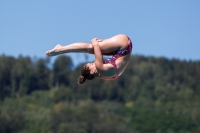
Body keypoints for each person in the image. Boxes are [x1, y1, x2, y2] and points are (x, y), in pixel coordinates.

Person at [45, 34, 132, 84]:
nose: (94, 62)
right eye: (91, 64)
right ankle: (61, 49)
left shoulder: (104, 76)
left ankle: (61, 49)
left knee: (91, 50)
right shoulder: (100, 68)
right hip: (123, 45)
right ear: (92, 71)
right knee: (90, 48)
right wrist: (94, 41)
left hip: (123, 49)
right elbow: (96, 45)